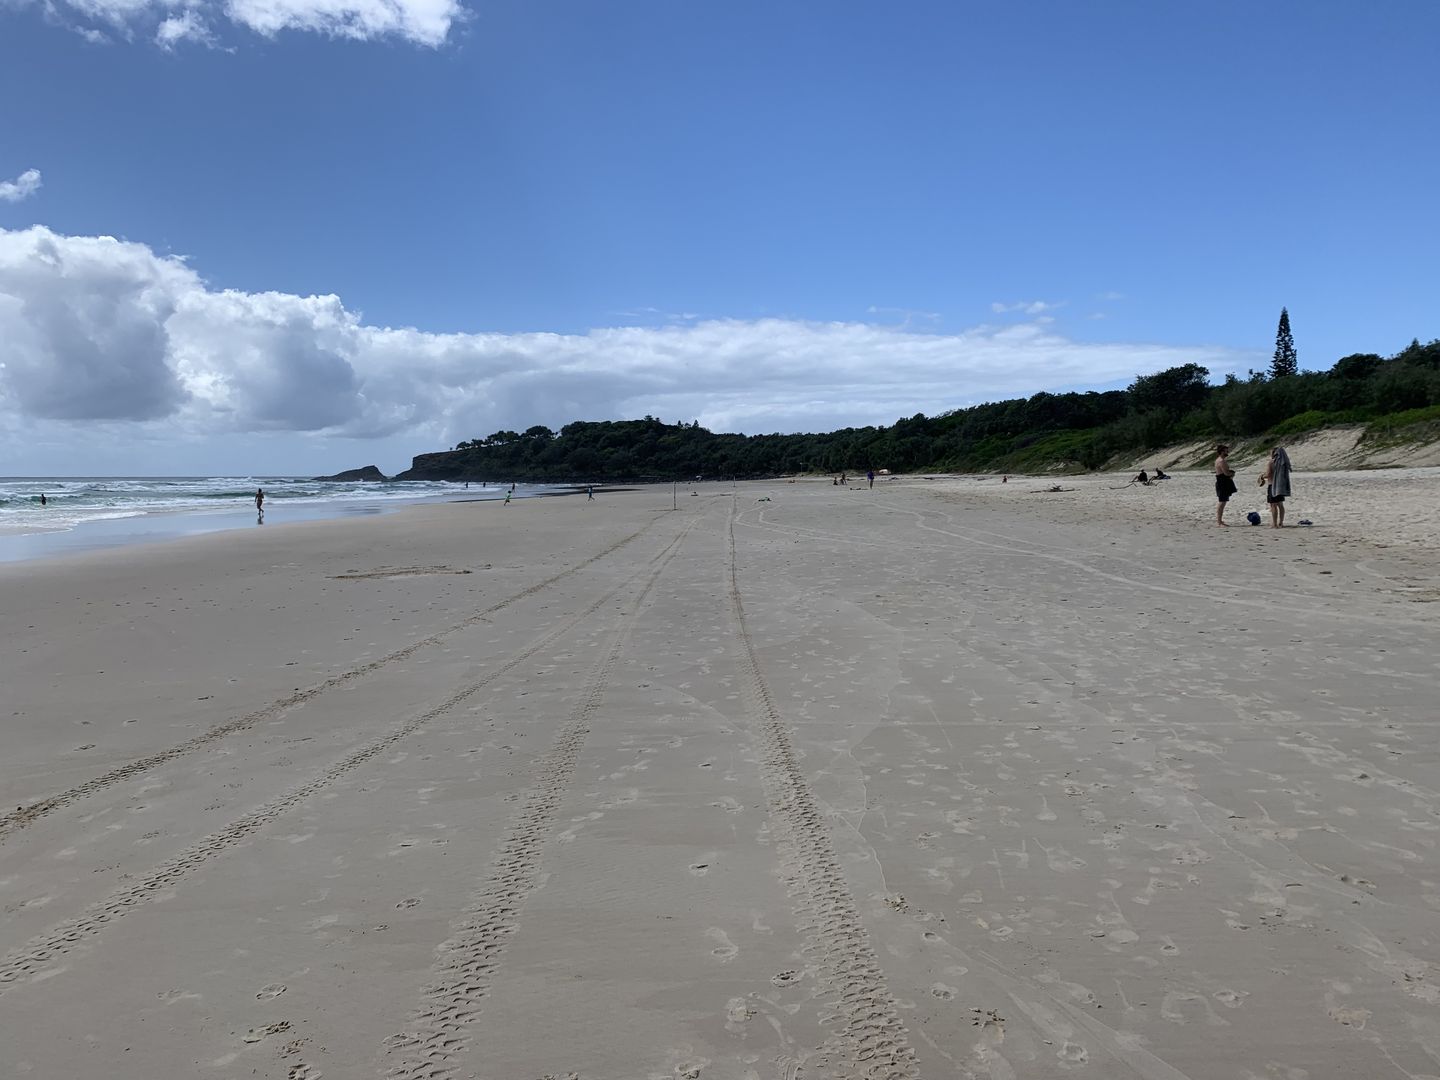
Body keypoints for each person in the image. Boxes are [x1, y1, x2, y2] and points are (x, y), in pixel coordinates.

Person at [1259, 445, 1293, 528]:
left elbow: (1268, 474)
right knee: (1280, 505)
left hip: (1272, 486)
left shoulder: (1271, 462)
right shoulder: (1283, 462)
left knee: (1273, 505)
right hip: (1280, 486)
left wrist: (1262, 476)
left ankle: (1274, 524)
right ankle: (1281, 522)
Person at [1214, 444, 1237, 526]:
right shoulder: (1221, 461)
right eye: (1226, 450)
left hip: (1222, 481)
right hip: (1222, 482)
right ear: (1222, 451)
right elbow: (1226, 473)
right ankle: (1219, 522)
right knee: (1222, 502)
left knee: (1223, 501)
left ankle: (1219, 521)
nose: (1228, 452)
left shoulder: (1219, 460)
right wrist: (1232, 473)